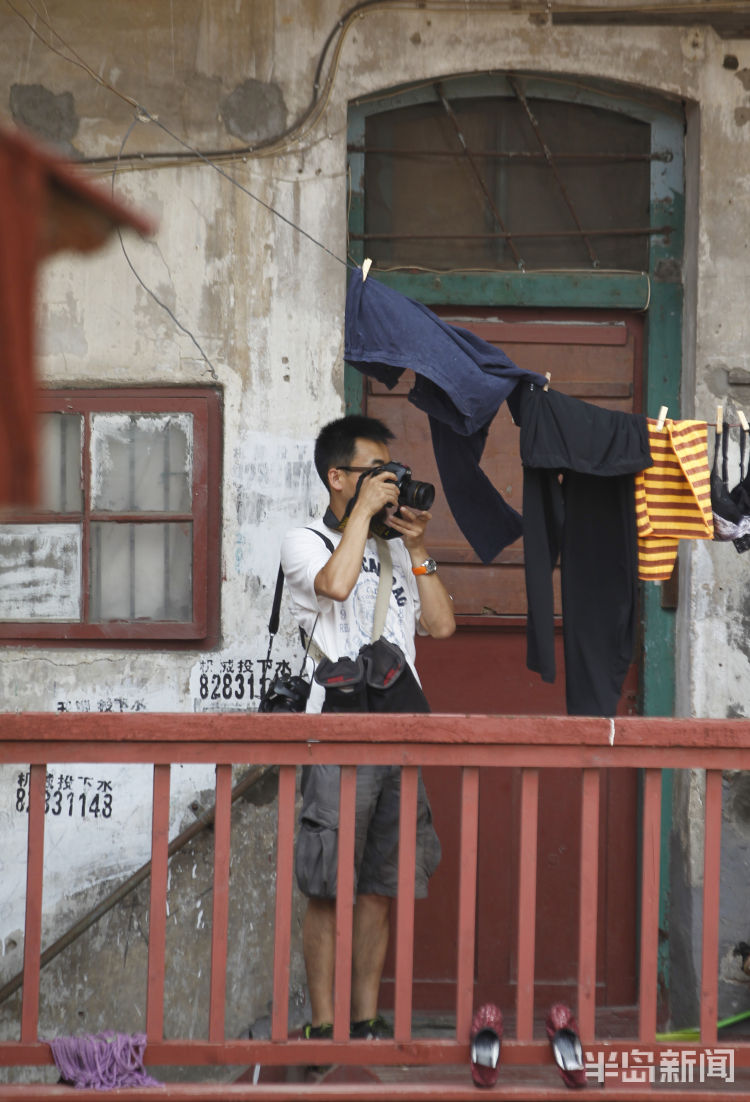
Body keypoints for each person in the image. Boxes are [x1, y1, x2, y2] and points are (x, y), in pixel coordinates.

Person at [280, 414, 455, 1041]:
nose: (389, 484)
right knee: (329, 888)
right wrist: (361, 516)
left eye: (392, 473)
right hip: (335, 733)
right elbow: (335, 584)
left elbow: (442, 626)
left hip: (399, 732)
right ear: (337, 477)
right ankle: (323, 1027)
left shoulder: (395, 549)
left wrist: (418, 550)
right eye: (375, 472)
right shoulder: (304, 541)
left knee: (381, 886)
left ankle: (365, 1019)